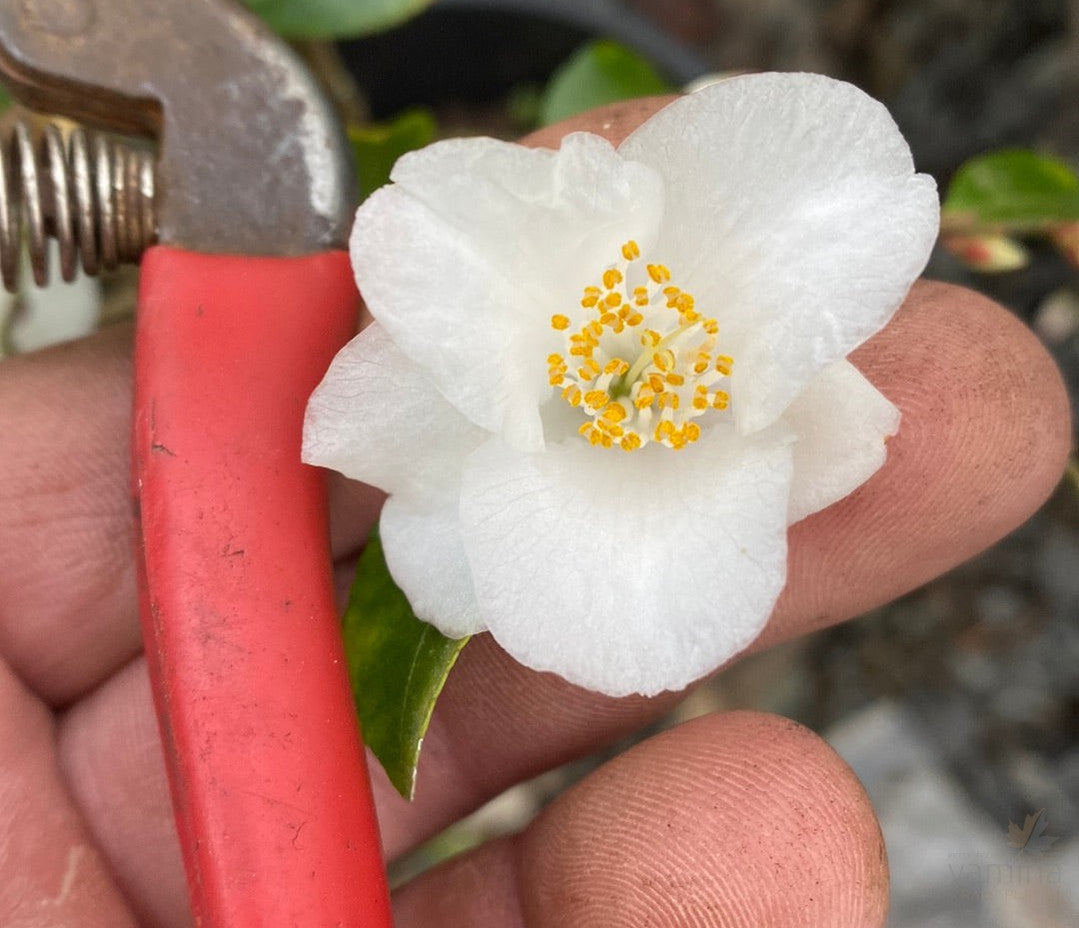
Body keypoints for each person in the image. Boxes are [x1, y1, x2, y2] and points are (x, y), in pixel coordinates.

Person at [0, 100, 1069, 926]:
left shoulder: (781, 272)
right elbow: (436, 249)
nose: (639, 368)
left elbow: (842, 220)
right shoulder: (481, 297)